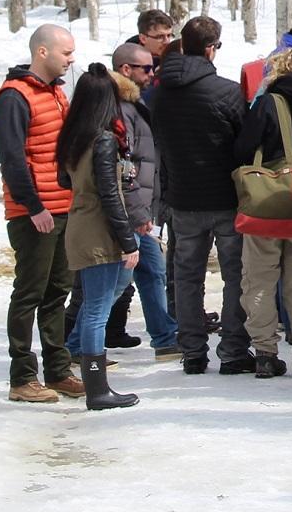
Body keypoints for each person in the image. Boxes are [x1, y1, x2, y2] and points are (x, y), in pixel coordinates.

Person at [149, 15, 250, 376]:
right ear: (210, 48)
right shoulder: (225, 90)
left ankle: (192, 350)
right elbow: (245, 141)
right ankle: (234, 348)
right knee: (235, 274)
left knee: (186, 276)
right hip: (224, 195)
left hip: (183, 196)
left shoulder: (159, 92)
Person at [0, 23, 83, 403]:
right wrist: (33, 206)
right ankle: (22, 376)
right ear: (42, 52)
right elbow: (13, 158)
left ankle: (58, 369)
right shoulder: (14, 97)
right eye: (65, 53)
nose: (71, 59)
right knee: (29, 292)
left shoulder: (57, 94)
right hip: (35, 212)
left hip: (63, 206)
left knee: (57, 292)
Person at [57, 64, 142, 410]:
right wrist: (128, 241)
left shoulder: (74, 135)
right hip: (99, 231)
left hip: (81, 222)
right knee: (96, 311)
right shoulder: (103, 140)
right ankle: (97, 389)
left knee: (98, 303)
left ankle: (95, 386)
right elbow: (109, 195)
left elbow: (66, 182)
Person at [235, 47, 292, 377]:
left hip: (267, 203)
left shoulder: (269, 103)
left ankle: (266, 352)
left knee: (259, 281)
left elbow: (243, 147)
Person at [109, 42, 177, 359]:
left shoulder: (135, 104)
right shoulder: (119, 108)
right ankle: (75, 345)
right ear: (127, 70)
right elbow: (127, 168)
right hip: (130, 211)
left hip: (142, 209)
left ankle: (165, 338)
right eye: (147, 69)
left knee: (152, 270)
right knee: (115, 283)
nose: (153, 74)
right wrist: (139, 213)